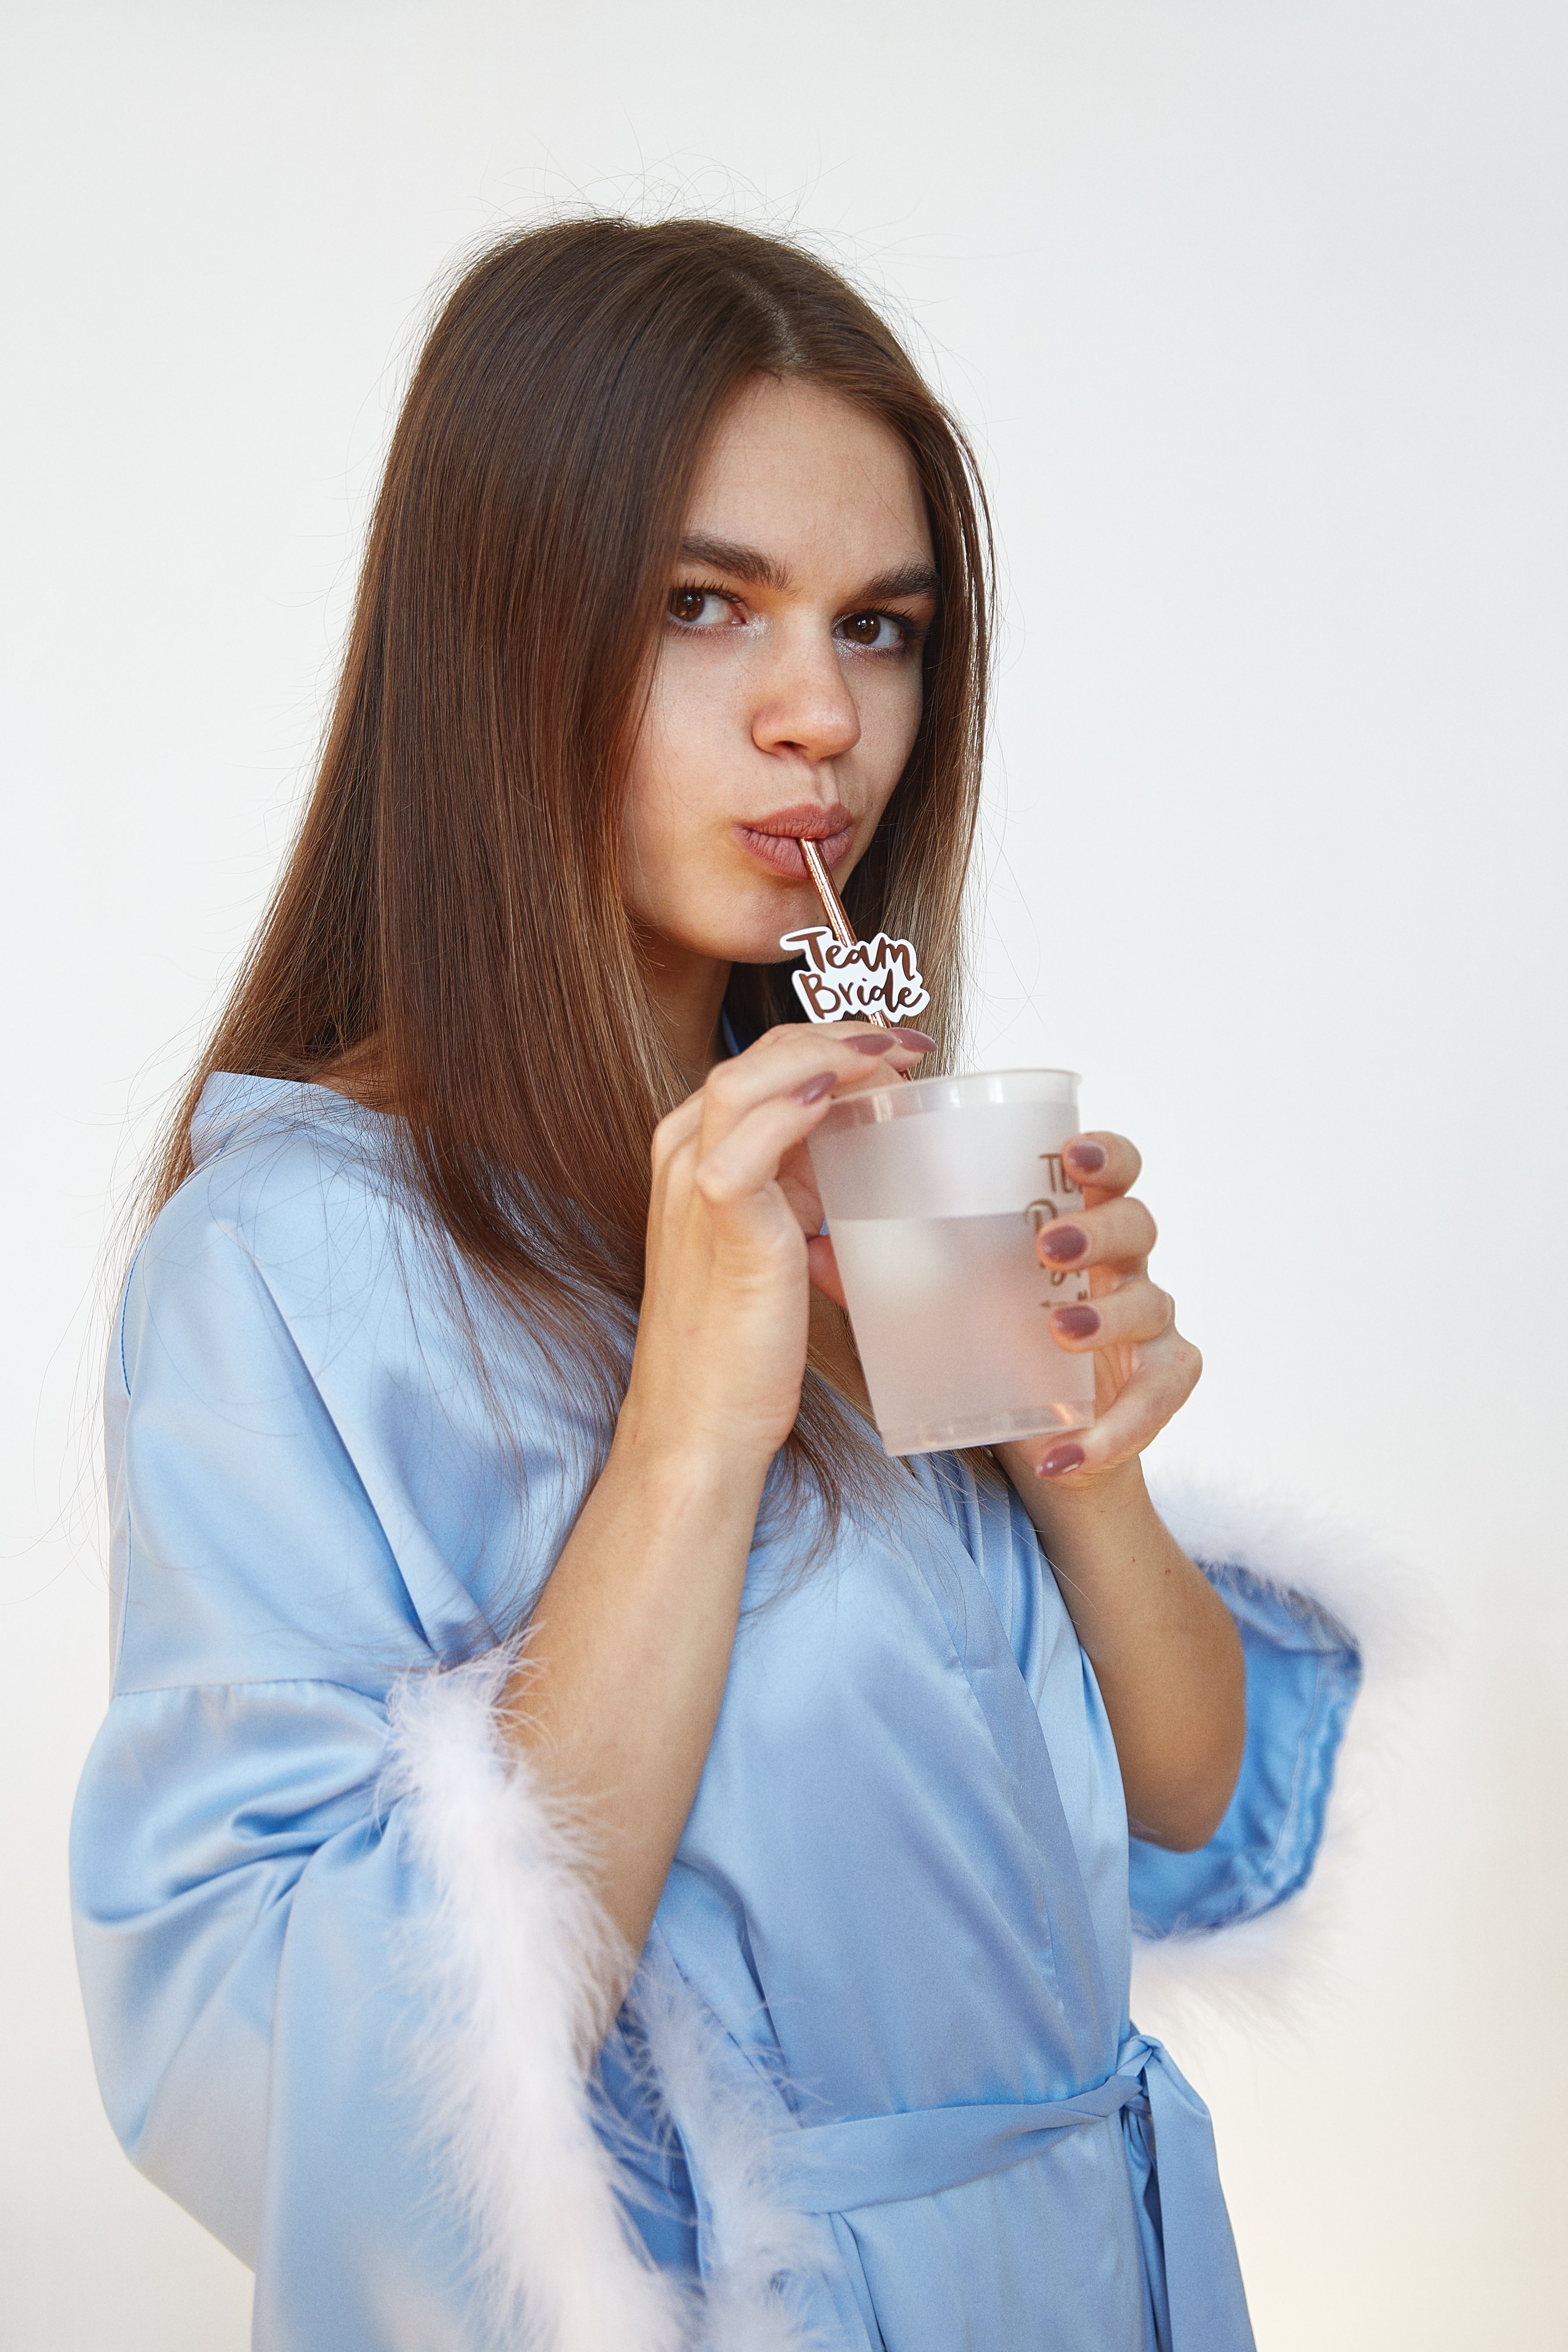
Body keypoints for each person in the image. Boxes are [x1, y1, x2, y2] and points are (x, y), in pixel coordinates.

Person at [70, 217, 1362, 2352]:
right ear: (502, 636)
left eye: (882, 626)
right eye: (704, 606)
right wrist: (691, 1425)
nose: (822, 716)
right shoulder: (288, 1267)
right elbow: (295, 2083)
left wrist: (1082, 1449)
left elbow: (1191, 1813)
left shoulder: (887, 1177)